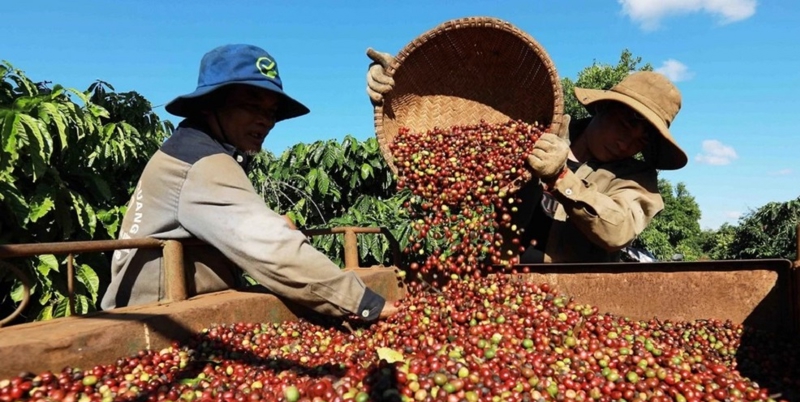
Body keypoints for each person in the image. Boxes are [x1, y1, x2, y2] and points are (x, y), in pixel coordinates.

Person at [101, 44, 398, 323]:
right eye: (251, 106)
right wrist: (364, 302)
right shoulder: (199, 162)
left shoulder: (196, 150)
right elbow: (271, 247)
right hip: (157, 321)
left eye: (271, 112)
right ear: (209, 106)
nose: (265, 121)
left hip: (176, 311)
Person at [366, 48, 688, 263]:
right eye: (626, 123)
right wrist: (402, 87)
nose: (627, 142)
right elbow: (461, 134)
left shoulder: (639, 181)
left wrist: (562, 177)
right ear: (604, 107)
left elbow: (617, 232)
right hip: (503, 276)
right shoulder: (542, 127)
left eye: (641, 139)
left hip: (576, 300)